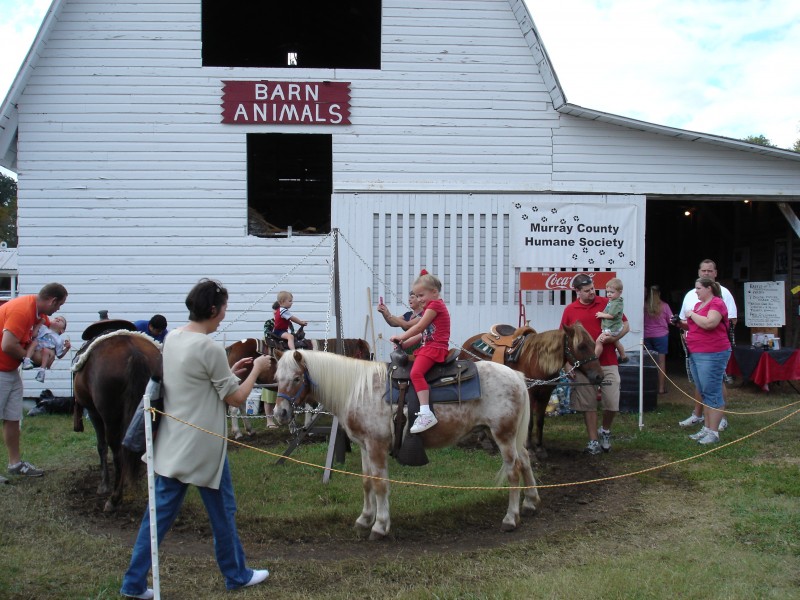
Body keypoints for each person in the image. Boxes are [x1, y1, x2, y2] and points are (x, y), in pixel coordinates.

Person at [120, 279, 272, 599]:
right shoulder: (209, 347)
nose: (224, 316)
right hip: (204, 448)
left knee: (157, 518)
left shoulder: (174, 337)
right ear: (214, 310)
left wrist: (230, 368)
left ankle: (133, 583)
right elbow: (234, 399)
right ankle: (236, 574)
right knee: (223, 512)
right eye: (224, 310)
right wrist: (256, 369)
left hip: (172, 444)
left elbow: (195, 377)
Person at [0, 283, 69, 478]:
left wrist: (53, 353)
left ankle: (15, 464)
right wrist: (31, 358)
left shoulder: (40, 316)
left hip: (10, 370)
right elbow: (7, 345)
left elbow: (51, 338)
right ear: (52, 300)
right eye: (59, 305)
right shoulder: (22, 309)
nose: (58, 310)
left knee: (13, 418)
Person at [560, 274, 629, 455]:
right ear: (577, 291)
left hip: (607, 361)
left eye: (592, 289)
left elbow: (626, 325)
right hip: (583, 365)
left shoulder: (607, 302)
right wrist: (567, 365)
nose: (592, 292)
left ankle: (605, 430)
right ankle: (593, 440)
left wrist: (613, 338)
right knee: (588, 404)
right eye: (587, 290)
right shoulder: (570, 310)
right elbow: (563, 339)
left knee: (612, 403)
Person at [676, 259, 737, 429]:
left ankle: (716, 425)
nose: (706, 273)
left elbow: (712, 323)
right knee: (702, 386)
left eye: (710, 271)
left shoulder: (720, 299)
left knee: (714, 386)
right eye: (703, 270)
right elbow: (689, 322)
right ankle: (702, 421)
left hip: (712, 350)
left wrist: (693, 316)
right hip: (695, 348)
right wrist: (680, 323)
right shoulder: (695, 300)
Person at [389, 270, 450, 434]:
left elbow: (419, 327)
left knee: (416, 373)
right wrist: (404, 343)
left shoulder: (435, 305)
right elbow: (421, 335)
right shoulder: (430, 307)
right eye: (416, 296)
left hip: (435, 347)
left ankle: (426, 412)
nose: (418, 299)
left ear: (434, 292)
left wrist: (401, 336)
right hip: (428, 346)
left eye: (421, 295)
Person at [643, 285, 673, 394]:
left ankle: (648, 387)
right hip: (661, 336)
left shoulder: (644, 306)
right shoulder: (665, 306)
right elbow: (671, 321)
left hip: (646, 336)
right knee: (661, 362)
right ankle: (660, 388)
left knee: (649, 362)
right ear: (659, 294)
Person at [22, 315, 70, 383]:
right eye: (56, 318)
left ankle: (42, 371)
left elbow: (59, 355)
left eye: (61, 320)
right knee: (34, 342)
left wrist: (67, 348)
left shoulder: (59, 340)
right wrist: (40, 323)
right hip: (35, 348)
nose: (58, 319)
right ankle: (27, 360)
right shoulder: (43, 328)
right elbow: (34, 335)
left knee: (46, 350)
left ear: (62, 330)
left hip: (43, 354)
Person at [594, 278, 628, 363]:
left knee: (599, 341)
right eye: (607, 292)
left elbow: (611, 315)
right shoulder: (613, 301)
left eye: (612, 292)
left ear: (620, 292)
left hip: (612, 328)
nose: (609, 294)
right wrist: (603, 312)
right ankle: (623, 356)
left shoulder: (616, 303)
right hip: (615, 327)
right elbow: (607, 310)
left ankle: (594, 360)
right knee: (616, 342)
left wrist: (601, 315)